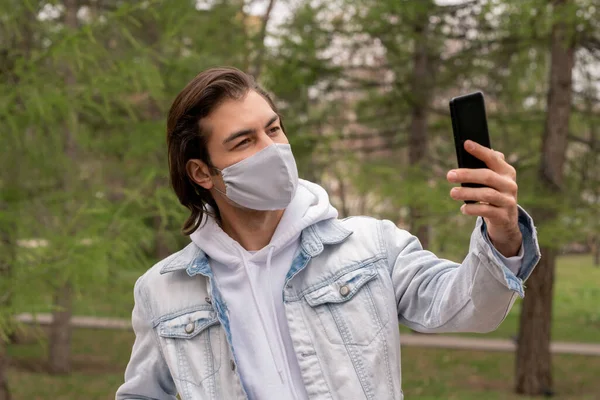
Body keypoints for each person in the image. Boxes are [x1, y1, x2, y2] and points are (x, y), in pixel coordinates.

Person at [116, 67, 540, 400]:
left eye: (274, 128)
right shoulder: (162, 292)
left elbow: (472, 308)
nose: (272, 149)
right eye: (244, 141)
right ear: (202, 172)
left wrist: (502, 234)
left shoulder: (372, 246)